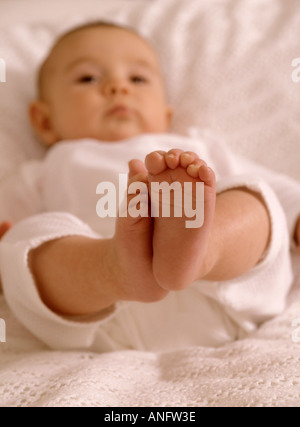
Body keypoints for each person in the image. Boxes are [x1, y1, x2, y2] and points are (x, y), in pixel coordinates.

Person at [0, 21, 299, 352]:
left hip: (221, 292)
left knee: (254, 196)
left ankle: (203, 249)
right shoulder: (47, 169)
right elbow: (10, 227)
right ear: (44, 121)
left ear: (166, 113)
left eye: (137, 79)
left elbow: (279, 194)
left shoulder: (195, 148)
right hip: (102, 311)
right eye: (88, 78)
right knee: (23, 242)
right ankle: (116, 268)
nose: (118, 87)